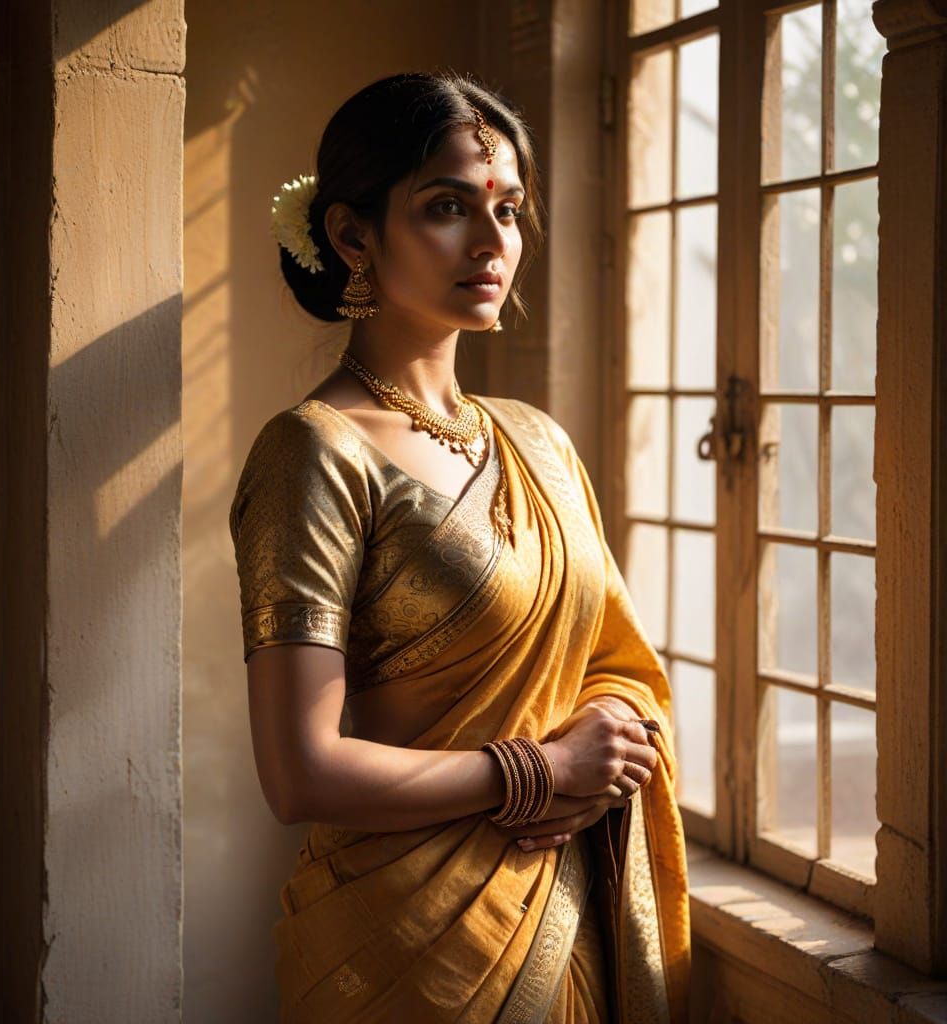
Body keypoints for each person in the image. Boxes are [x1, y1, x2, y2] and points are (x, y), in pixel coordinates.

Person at [229, 70, 690, 1023]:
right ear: (353, 234)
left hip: (561, 916)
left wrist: (600, 746)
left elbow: (621, 667)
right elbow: (300, 772)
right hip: (402, 951)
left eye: (510, 210)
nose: (493, 243)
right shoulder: (314, 451)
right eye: (447, 206)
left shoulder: (538, 442)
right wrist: (540, 773)